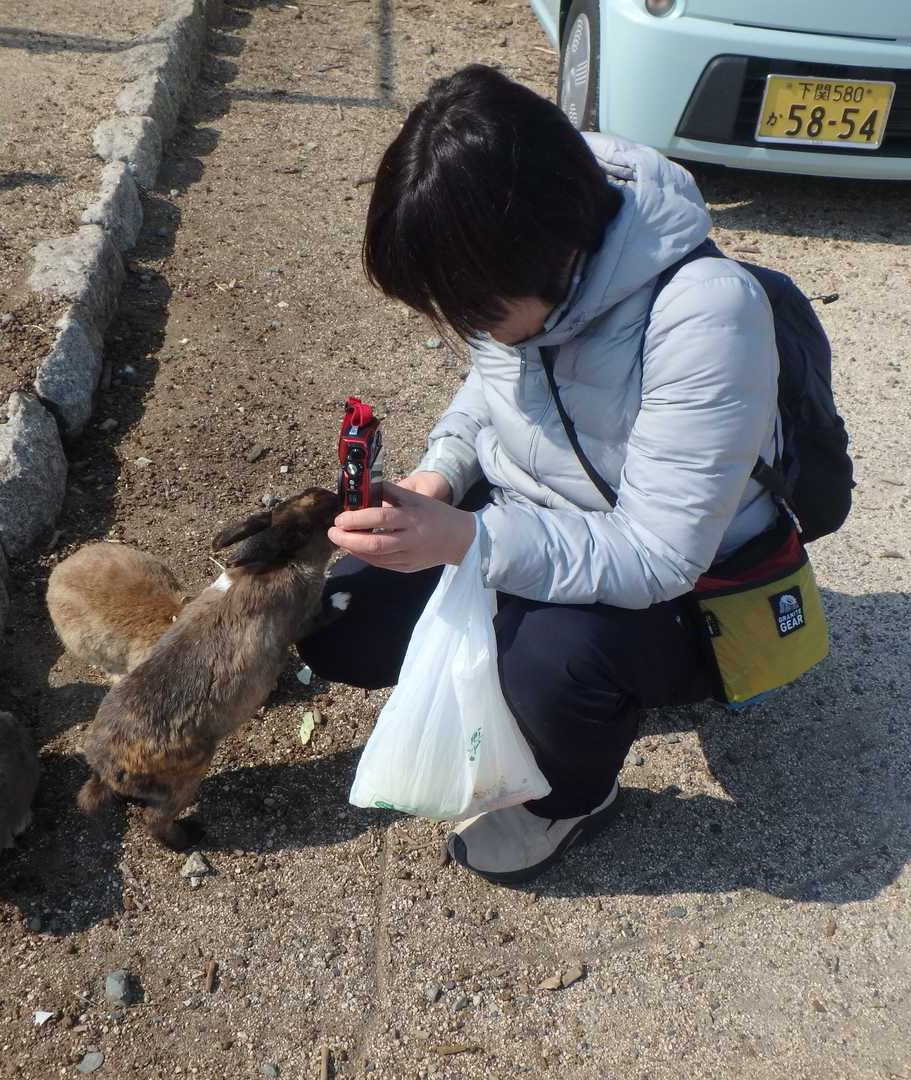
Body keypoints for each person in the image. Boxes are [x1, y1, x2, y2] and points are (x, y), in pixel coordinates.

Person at [299, 64, 782, 885]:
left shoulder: (706, 314)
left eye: (475, 313)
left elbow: (660, 556)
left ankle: (570, 798)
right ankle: (537, 684)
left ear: (555, 253)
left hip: (690, 587)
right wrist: (437, 479)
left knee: (551, 662)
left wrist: (470, 542)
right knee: (341, 615)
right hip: (530, 519)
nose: (470, 330)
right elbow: (485, 395)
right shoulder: (515, 268)